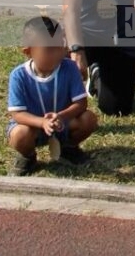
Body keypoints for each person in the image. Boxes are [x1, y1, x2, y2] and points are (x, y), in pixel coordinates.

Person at [6, 16, 98, 176]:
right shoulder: (18, 75)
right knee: (19, 135)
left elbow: (82, 103)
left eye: (60, 46)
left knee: (89, 119)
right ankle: (28, 156)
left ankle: (68, 148)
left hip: (62, 125)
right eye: (49, 49)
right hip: (33, 128)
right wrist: (42, 122)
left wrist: (62, 116)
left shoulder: (69, 68)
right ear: (28, 52)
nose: (57, 53)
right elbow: (17, 114)